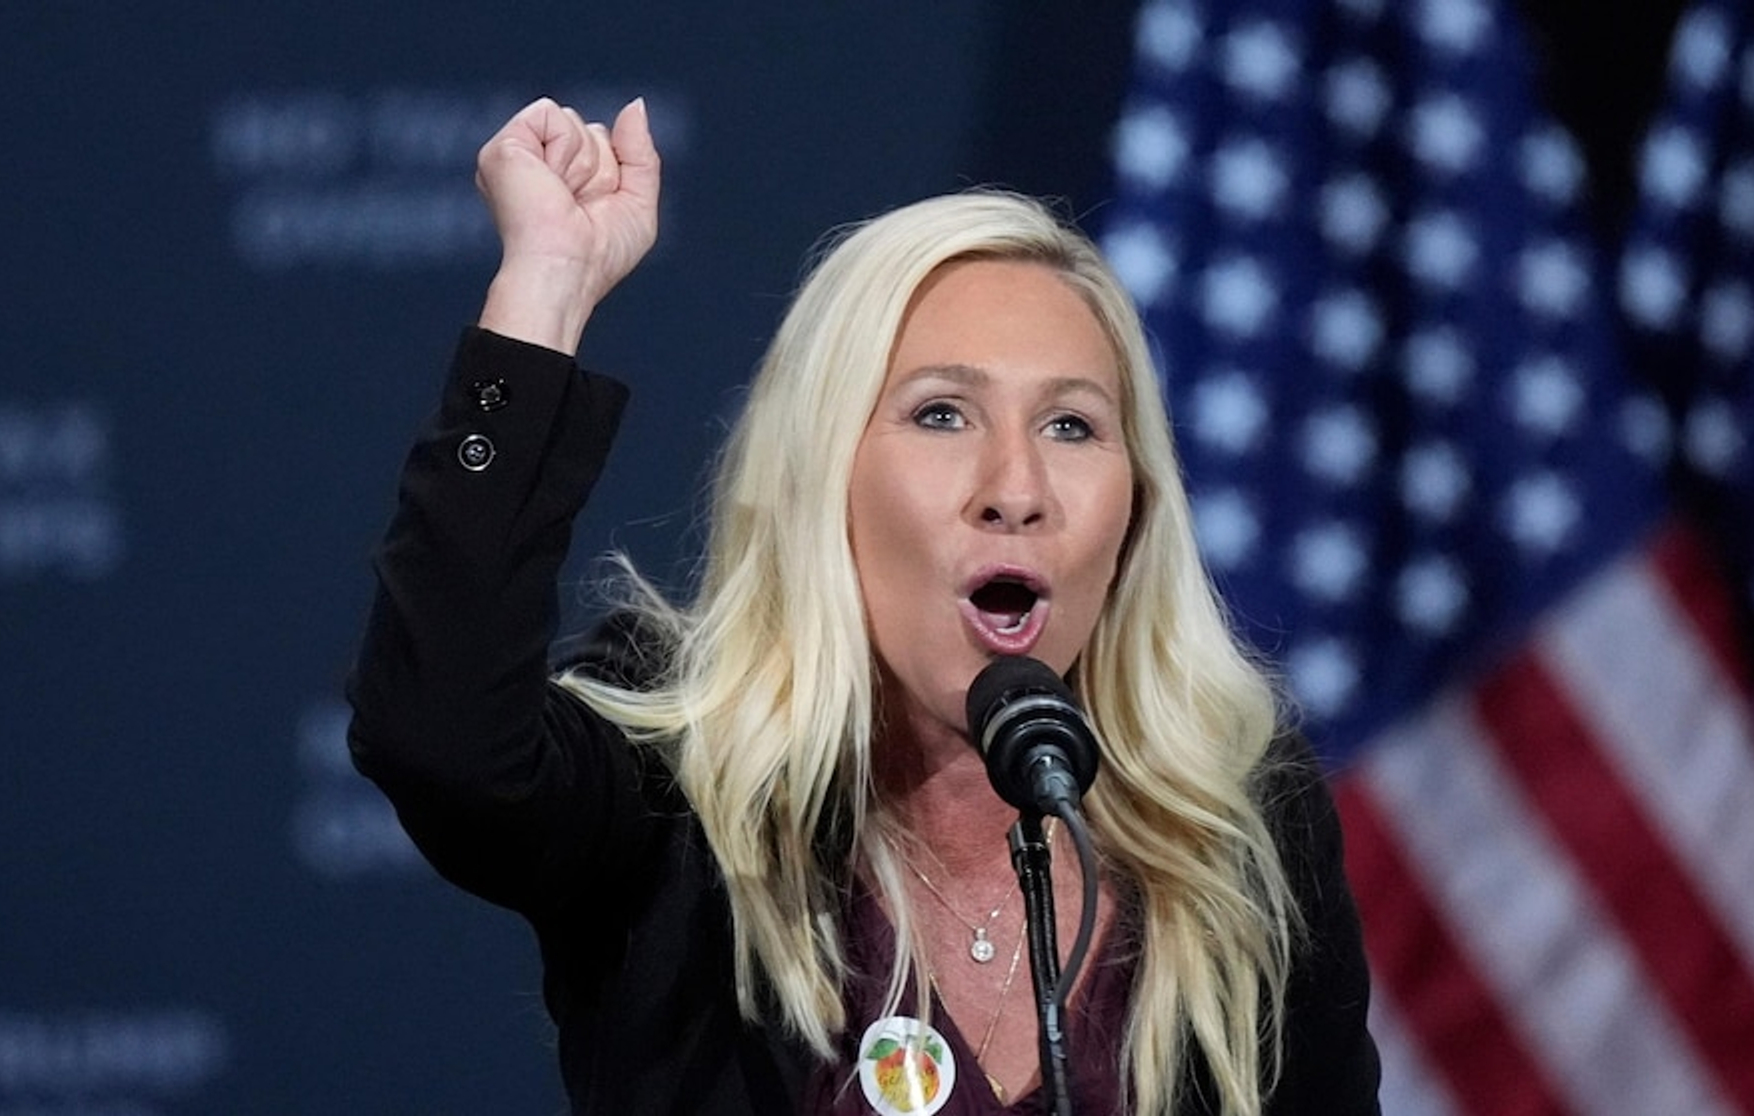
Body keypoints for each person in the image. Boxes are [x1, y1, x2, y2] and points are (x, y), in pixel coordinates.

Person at [347, 96, 1381, 1116]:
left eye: (1070, 426)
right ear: (822, 478)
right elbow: (441, 738)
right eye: (943, 414)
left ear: (1137, 506)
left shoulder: (1236, 824)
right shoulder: (676, 797)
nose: (1017, 488)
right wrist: (547, 286)